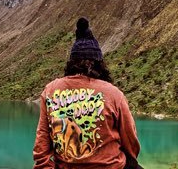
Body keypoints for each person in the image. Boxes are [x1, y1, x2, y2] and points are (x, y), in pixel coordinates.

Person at [33, 18, 141, 169]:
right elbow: (130, 141)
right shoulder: (114, 94)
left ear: (71, 62)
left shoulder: (51, 90)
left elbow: (42, 142)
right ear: (99, 63)